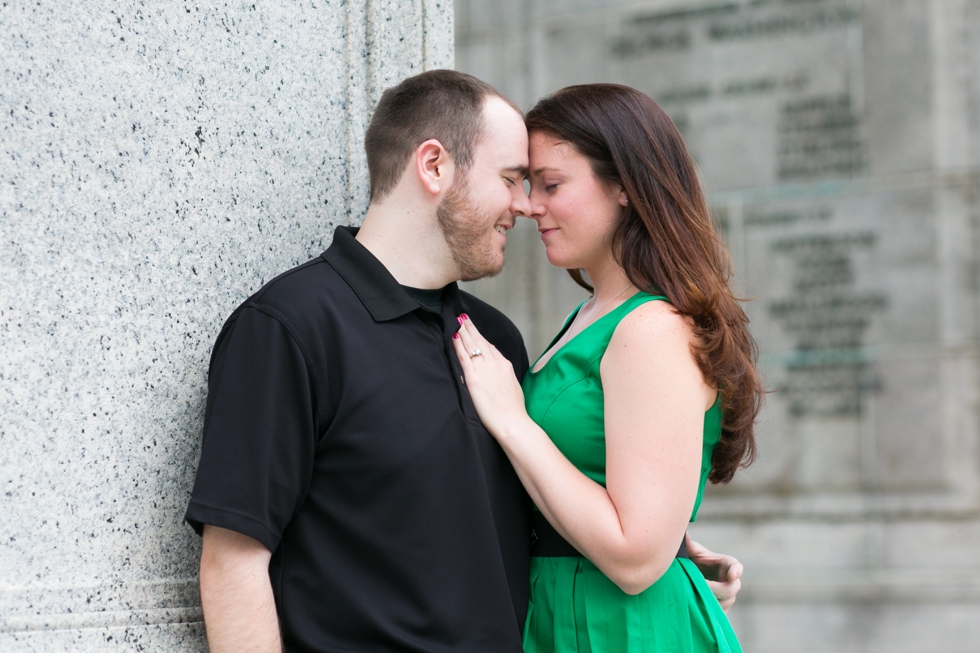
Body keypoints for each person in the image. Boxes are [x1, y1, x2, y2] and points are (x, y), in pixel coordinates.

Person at [185, 70, 743, 653]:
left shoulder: (493, 339)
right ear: (433, 167)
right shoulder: (289, 328)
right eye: (513, 179)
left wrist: (668, 549)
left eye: (542, 183)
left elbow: (506, 510)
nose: (525, 206)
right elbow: (234, 564)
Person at [452, 83, 763, 653]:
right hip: (568, 609)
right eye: (524, 185)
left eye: (551, 184)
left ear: (624, 186)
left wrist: (510, 418)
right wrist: (675, 536)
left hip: (620, 627)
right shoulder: (594, 315)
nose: (527, 205)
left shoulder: (651, 328)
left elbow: (634, 560)